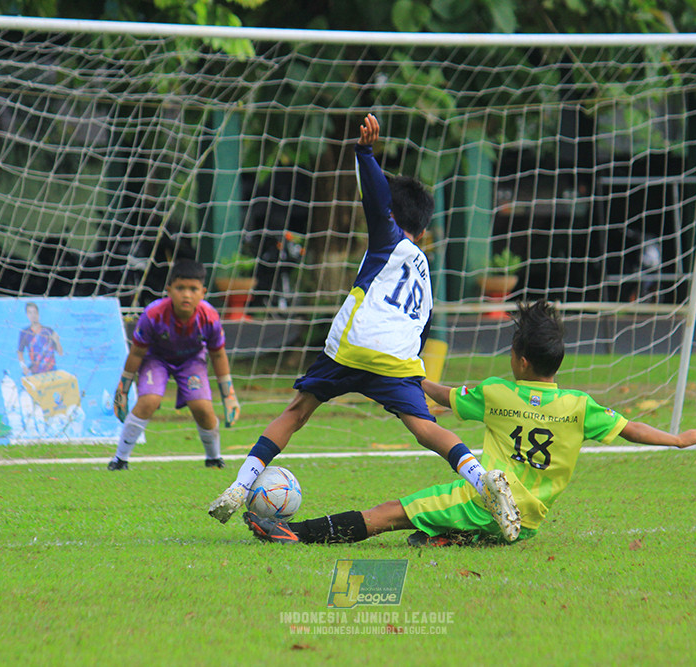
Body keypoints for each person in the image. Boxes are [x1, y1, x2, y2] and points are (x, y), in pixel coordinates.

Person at [209, 113, 521, 540]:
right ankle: (483, 481)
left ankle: (239, 486)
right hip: (398, 358)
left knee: (297, 412)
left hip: (354, 345)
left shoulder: (388, 238)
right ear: (425, 227)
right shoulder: (425, 271)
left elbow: (375, 198)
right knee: (425, 428)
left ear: (392, 215)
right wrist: (412, 375)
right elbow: (422, 328)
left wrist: (365, 153)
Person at [242, 300, 696, 546]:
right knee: (435, 518)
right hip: (529, 521)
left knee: (391, 513)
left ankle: (295, 534)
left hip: (484, 500)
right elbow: (631, 429)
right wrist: (678, 439)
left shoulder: (497, 393)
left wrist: (402, 376)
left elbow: (440, 394)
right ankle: (455, 537)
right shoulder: (580, 405)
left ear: (520, 360)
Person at [109, 260, 240, 470]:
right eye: (180, 288)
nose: (186, 295)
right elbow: (137, 352)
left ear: (203, 292)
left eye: (193, 289)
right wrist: (122, 390)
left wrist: (229, 395)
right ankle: (119, 459)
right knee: (149, 401)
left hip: (191, 361)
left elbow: (218, 355)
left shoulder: (210, 318)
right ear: (169, 290)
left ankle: (214, 458)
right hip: (156, 359)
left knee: (202, 407)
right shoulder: (153, 314)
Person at [17, 302, 63, 375]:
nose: (33, 315)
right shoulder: (24, 333)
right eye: (30, 313)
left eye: (34, 312)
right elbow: (20, 352)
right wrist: (24, 367)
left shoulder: (48, 331)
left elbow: (60, 353)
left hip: (52, 372)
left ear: (38, 314)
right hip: (36, 373)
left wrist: (57, 342)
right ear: (27, 315)